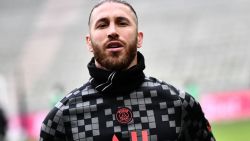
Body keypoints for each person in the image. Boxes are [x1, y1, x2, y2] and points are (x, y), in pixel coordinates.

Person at [39, 0, 216, 141]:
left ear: (139, 38)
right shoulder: (62, 117)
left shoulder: (178, 104)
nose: (113, 31)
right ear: (89, 42)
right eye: (102, 25)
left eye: (122, 23)